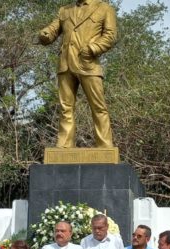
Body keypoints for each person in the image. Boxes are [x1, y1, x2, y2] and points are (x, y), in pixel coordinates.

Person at [38, 0, 117, 148]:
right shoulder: (65, 10)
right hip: (65, 64)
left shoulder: (104, 8)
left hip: (89, 64)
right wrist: (45, 34)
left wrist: (92, 49)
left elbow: (110, 35)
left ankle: (105, 146)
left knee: (98, 107)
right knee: (65, 107)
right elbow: (53, 29)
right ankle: (64, 145)